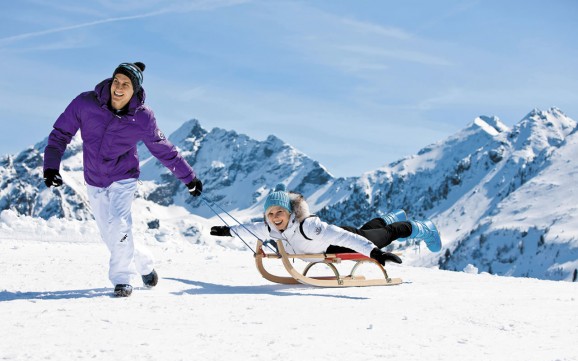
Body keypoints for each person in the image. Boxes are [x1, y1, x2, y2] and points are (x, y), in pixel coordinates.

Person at [43, 62, 203, 297]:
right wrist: (51, 166)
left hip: (123, 177)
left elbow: (163, 149)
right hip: (94, 179)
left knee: (119, 222)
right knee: (110, 234)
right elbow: (61, 134)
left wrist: (189, 177)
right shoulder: (85, 103)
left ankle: (122, 279)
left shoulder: (143, 117)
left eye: (126, 84)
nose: (118, 87)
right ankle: (145, 263)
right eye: (116, 81)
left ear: (134, 90)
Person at [210, 183, 442, 264]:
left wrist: (374, 254)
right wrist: (228, 231)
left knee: (384, 235)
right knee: (367, 230)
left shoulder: (308, 226)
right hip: (338, 240)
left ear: (290, 212)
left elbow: (346, 238)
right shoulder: (270, 227)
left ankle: (421, 228)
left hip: (340, 242)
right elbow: (249, 228)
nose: (275, 217)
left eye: (280, 212)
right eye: (270, 214)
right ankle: (390, 216)